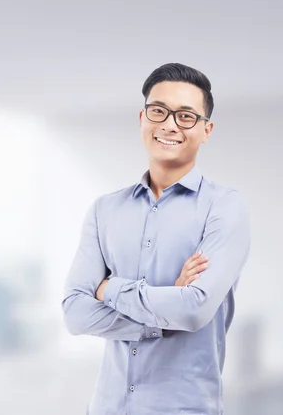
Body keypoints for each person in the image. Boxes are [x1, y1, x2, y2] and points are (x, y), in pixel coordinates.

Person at [62, 62, 251, 415]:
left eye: (186, 117)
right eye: (159, 111)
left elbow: (194, 310)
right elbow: (75, 313)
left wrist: (109, 289)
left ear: (207, 130)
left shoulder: (224, 208)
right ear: (142, 118)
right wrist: (163, 316)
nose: (169, 125)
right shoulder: (105, 210)